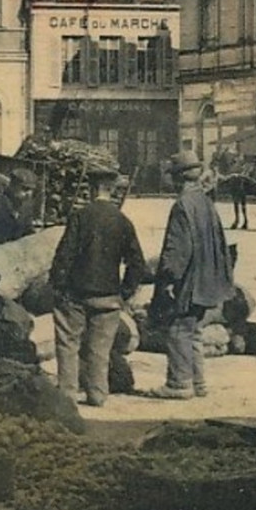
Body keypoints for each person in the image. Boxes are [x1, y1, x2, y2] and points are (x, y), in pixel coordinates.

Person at [48, 169, 147, 408]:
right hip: (108, 297)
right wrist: (124, 292)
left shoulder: (80, 217)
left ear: (91, 190)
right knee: (99, 349)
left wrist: (58, 286)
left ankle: (68, 395)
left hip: (76, 294)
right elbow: (137, 263)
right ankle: (97, 394)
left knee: (68, 344)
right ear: (111, 190)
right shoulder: (123, 221)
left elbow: (65, 255)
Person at [147, 153, 235, 399]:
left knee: (178, 330)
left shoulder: (182, 205)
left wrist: (168, 280)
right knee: (194, 330)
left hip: (189, 281)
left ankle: (178, 384)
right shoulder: (205, 202)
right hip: (207, 280)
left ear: (178, 178)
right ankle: (198, 382)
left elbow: (177, 249)